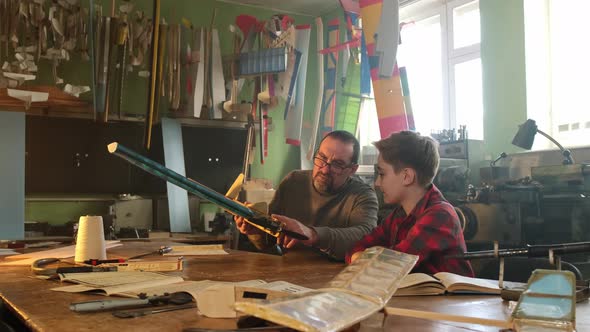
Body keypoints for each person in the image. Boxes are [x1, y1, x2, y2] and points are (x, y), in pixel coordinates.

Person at [235, 130, 379, 261]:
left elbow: (365, 237)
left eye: (337, 164)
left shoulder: (363, 195)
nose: (324, 169)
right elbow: (269, 241)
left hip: (335, 281)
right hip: (288, 276)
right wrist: (255, 232)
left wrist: (313, 235)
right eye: (321, 158)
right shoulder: (294, 181)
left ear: (352, 170)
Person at [346, 131, 474, 276]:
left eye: (382, 174)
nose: (377, 183)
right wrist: (357, 257)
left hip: (456, 298)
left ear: (407, 177)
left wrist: (363, 260)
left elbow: (397, 263)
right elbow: (360, 246)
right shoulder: (399, 215)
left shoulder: (440, 215)